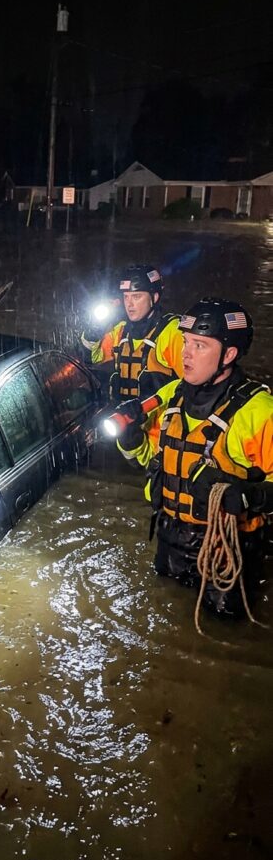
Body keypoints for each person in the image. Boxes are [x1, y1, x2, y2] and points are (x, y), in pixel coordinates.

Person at [116, 298, 273, 616]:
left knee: (222, 634)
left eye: (200, 345)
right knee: (163, 617)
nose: (185, 353)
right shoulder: (172, 393)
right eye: (186, 342)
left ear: (228, 355)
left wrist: (246, 495)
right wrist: (130, 439)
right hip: (169, 537)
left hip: (225, 551)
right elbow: (154, 458)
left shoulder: (258, 412)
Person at [81, 264, 184, 404]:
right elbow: (91, 359)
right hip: (123, 421)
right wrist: (93, 330)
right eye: (126, 297)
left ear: (154, 297)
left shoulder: (172, 331)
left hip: (160, 424)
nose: (129, 304)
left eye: (136, 296)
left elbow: (192, 383)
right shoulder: (121, 331)